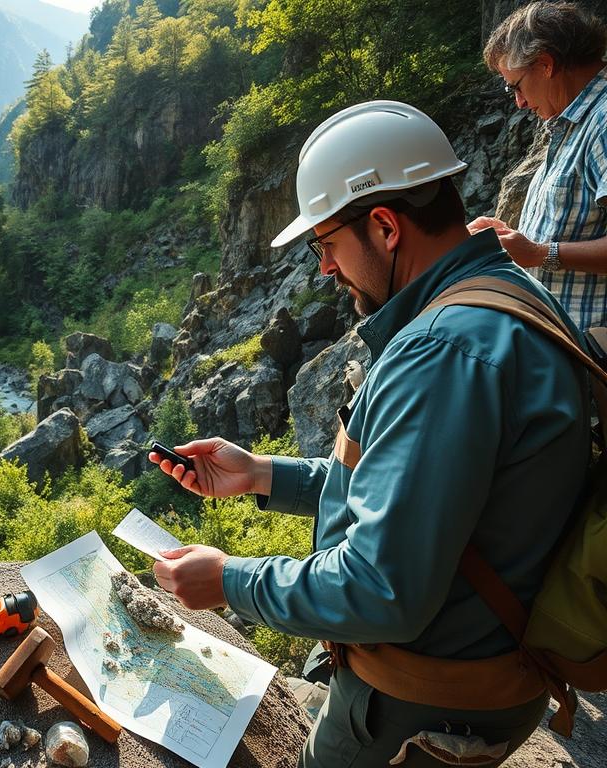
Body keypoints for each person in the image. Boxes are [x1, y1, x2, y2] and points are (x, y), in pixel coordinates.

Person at [149, 101, 591, 767]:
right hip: (485, 675)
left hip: (420, 707)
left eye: (327, 244)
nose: (325, 267)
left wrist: (230, 581)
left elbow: (381, 588)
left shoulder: (442, 352)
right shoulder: (507, 296)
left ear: (385, 227)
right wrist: (263, 475)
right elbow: (422, 492)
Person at [468, 1, 607, 331]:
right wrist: (515, 237)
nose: (518, 102)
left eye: (514, 85)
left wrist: (540, 252)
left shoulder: (603, 122)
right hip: (562, 344)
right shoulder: (571, 122)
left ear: (545, 64)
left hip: (591, 353)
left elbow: (545, 251)